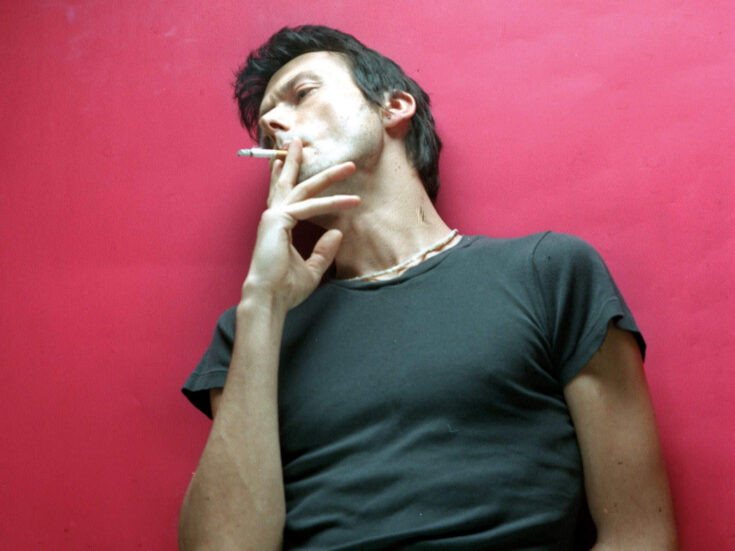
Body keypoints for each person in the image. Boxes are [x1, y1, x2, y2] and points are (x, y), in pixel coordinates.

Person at [178, 25, 677, 551]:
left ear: (394, 107)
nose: (273, 125)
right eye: (264, 132)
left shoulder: (549, 273)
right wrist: (262, 303)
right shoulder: (251, 330)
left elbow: (639, 532)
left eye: (301, 94)